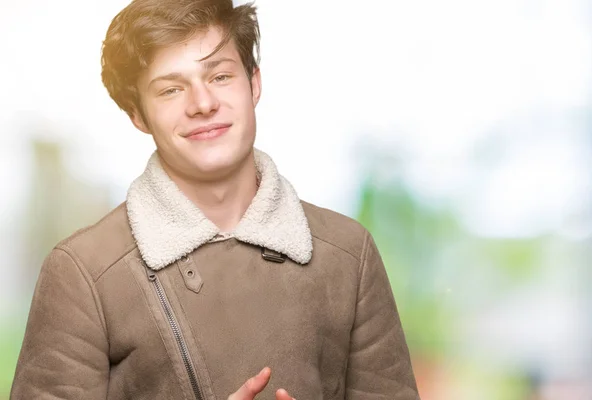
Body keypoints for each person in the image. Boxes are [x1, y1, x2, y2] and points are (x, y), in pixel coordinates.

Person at [10, 0, 420, 398]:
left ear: (254, 83)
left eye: (220, 77)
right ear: (138, 114)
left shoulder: (348, 255)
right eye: (171, 89)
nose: (203, 104)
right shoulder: (83, 272)